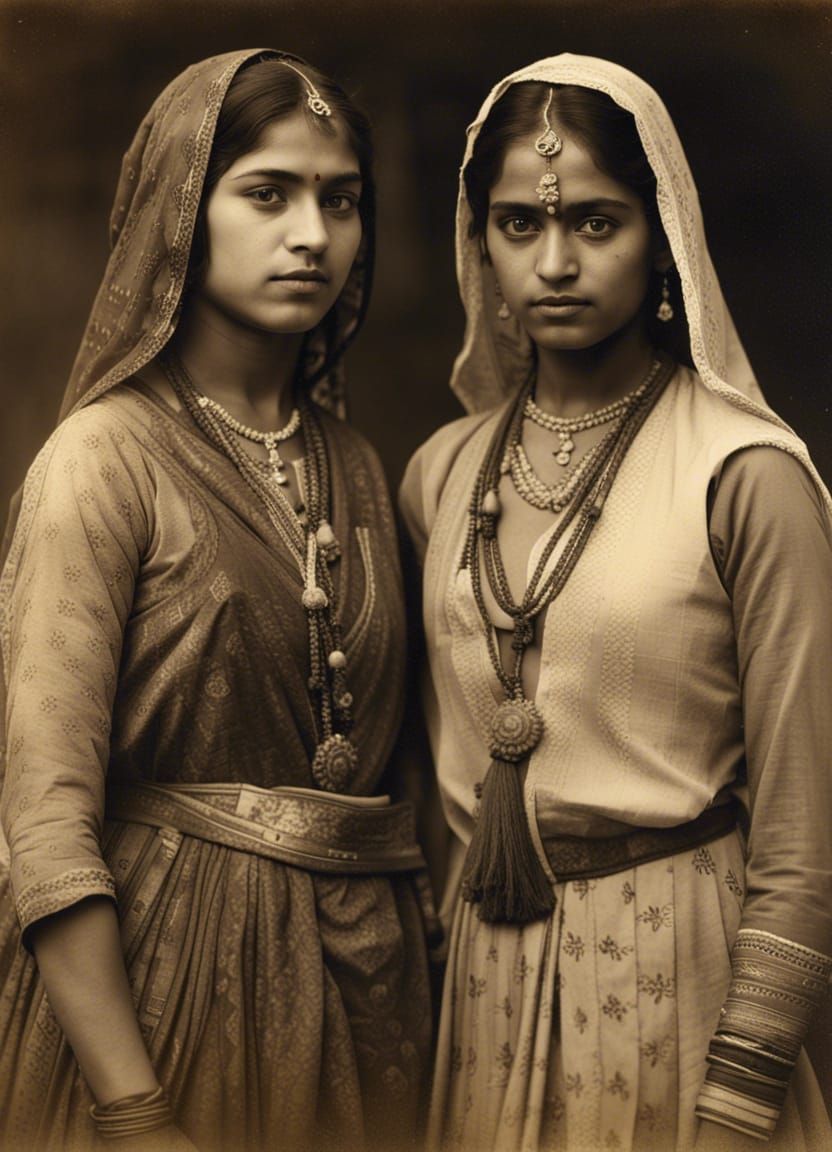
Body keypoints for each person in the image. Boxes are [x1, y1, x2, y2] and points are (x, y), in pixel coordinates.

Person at [0, 48, 433, 1152]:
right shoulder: (104, 460)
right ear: (180, 211)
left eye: (340, 200)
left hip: (365, 997)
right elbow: (45, 823)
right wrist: (133, 1114)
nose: (313, 235)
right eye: (268, 193)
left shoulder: (357, 465)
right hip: (165, 993)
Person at [399, 54, 832, 1152]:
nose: (554, 262)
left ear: (664, 234)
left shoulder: (744, 476)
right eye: (516, 225)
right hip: (485, 989)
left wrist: (740, 1094)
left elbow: (799, 836)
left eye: (596, 223)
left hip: (677, 973)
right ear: (479, 244)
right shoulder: (441, 476)